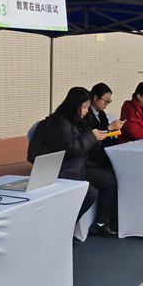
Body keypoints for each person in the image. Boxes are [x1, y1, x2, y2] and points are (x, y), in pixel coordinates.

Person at [42, 86, 116, 236]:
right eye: (84, 107)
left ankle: (96, 223)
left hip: (78, 167)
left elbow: (84, 146)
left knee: (107, 181)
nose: (86, 111)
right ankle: (65, 229)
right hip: (63, 170)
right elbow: (71, 148)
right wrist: (91, 137)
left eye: (87, 107)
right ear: (74, 105)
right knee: (90, 193)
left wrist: (96, 139)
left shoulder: (78, 120)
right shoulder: (60, 122)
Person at [83, 83, 124, 237]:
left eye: (109, 101)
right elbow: (91, 138)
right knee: (110, 180)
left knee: (119, 174)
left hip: (100, 156)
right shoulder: (86, 116)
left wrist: (112, 133)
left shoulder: (100, 113)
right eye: (105, 100)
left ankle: (113, 219)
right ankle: (101, 222)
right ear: (95, 98)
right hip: (89, 161)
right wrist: (109, 129)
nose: (107, 104)